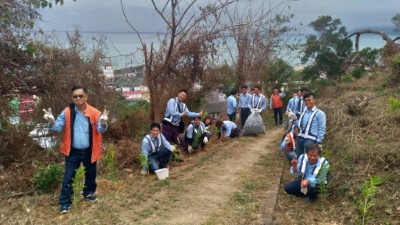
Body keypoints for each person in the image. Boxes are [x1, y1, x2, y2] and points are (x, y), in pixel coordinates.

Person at [43, 85, 109, 214]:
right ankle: (65, 203)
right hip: (72, 151)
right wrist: (51, 122)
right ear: (72, 98)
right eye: (75, 96)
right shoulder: (67, 112)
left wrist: (103, 124)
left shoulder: (95, 112)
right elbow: (57, 127)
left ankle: (88, 193)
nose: (78, 98)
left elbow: (100, 130)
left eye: (81, 96)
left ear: (86, 97)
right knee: (68, 177)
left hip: (90, 150)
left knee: (91, 175)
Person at [162, 90, 203, 160]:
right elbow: (172, 112)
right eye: (182, 94)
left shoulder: (183, 105)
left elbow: (188, 113)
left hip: (175, 125)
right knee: (166, 141)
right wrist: (181, 114)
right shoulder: (172, 101)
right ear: (178, 94)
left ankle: (176, 157)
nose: (183, 96)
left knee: (175, 141)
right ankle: (165, 160)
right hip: (167, 124)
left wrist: (197, 114)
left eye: (184, 96)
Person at [296, 92, 326, 157]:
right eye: (306, 100)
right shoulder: (303, 112)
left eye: (309, 100)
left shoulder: (320, 113)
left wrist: (318, 142)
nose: (307, 102)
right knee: (299, 157)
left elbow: (322, 128)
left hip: (311, 140)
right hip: (300, 138)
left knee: (306, 158)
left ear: (314, 100)